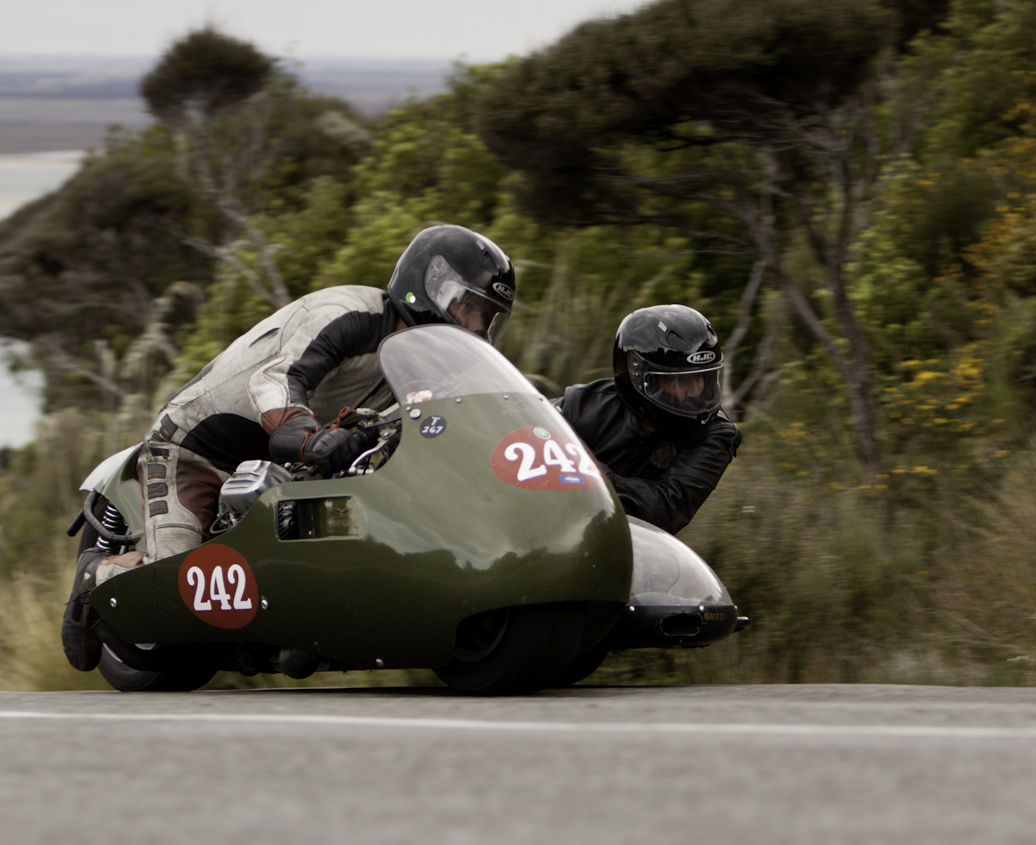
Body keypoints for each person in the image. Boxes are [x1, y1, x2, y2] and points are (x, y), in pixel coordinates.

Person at [84, 224, 515, 586]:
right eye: (469, 306)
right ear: (430, 284)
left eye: (486, 315)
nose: (476, 326)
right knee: (175, 589)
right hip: (199, 450)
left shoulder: (429, 365)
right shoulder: (347, 313)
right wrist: (305, 435)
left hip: (293, 469)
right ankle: (94, 575)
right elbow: (276, 378)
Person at [554, 304, 739, 535]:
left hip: (629, 545)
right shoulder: (580, 407)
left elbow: (665, 509)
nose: (694, 392)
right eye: (679, 382)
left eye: (701, 378)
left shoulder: (717, 435)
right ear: (639, 376)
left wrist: (581, 469)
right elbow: (520, 429)